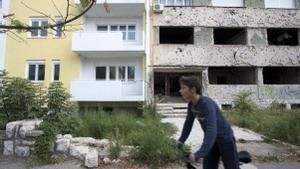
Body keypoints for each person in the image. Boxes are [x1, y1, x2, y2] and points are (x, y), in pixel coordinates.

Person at [176, 76, 240, 169]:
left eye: (183, 88)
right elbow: (188, 124)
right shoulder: (191, 105)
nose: (180, 91)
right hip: (212, 142)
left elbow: (211, 130)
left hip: (225, 139)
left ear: (193, 89)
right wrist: (181, 141)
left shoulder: (206, 104)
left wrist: (198, 154)